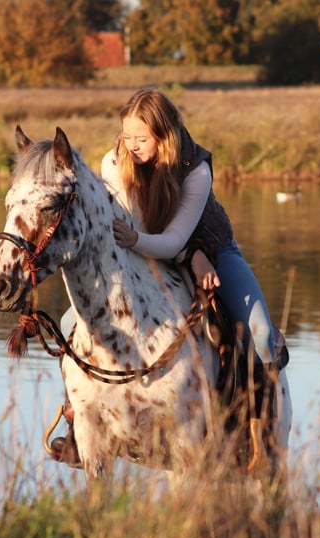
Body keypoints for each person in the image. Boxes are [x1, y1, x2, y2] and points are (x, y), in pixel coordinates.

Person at [103, 88, 289, 387]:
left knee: (261, 334)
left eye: (141, 138)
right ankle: (76, 416)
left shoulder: (196, 171)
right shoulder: (113, 163)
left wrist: (191, 252)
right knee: (71, 323)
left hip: (212, 248)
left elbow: (171, 239)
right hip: (146, 249)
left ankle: (261, 419)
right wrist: (188, 256)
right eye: (126, 136)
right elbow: (140, 228)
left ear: (164, 137)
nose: (131, 146)